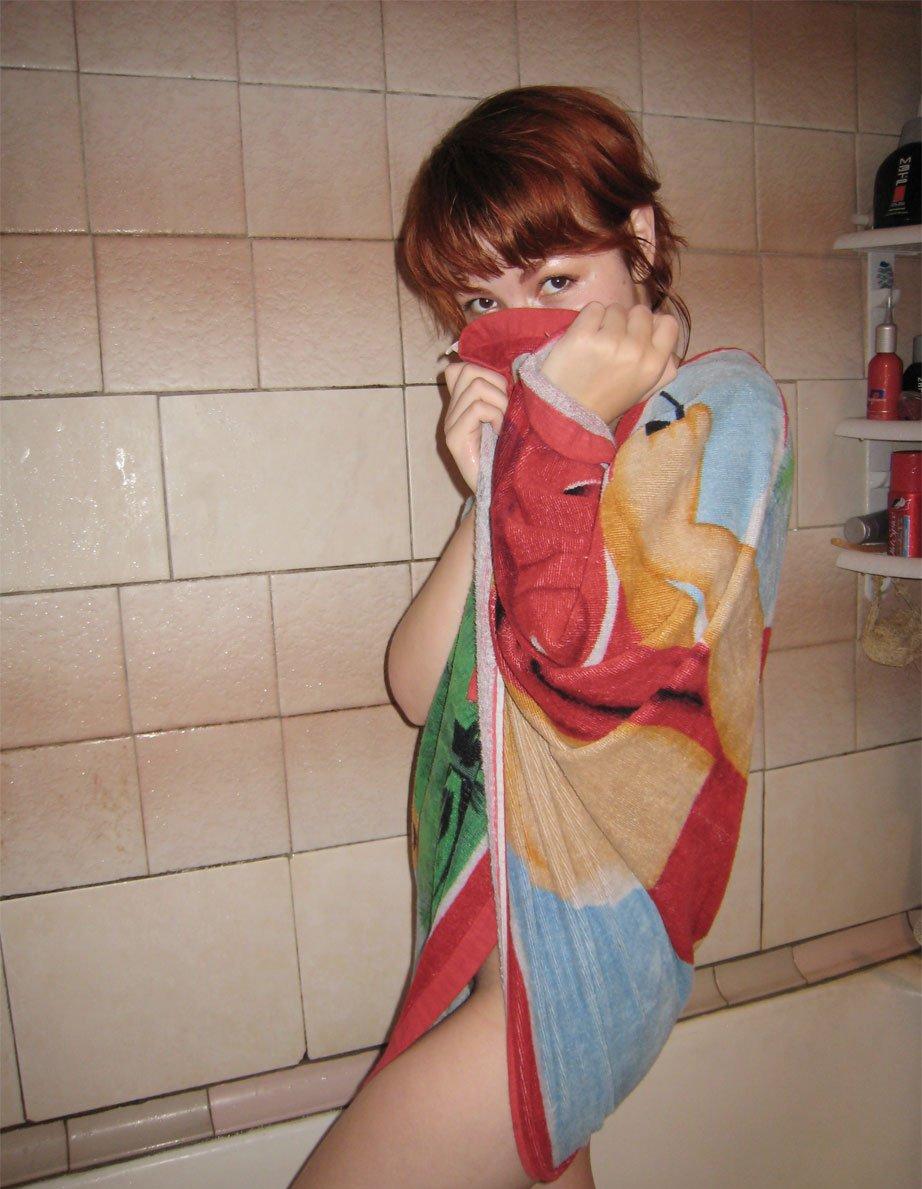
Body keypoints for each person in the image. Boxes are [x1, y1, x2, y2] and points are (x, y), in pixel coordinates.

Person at [289, 85, 786, 1189]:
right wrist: (489, 488)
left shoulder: (725, 410)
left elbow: (590, 676)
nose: (523, 325)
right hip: (498, 953)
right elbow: (419, 683)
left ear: (638, 240)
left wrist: (553, 433)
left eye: (556, 280)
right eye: (484, 299)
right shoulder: (539, 449)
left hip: (576, 973)